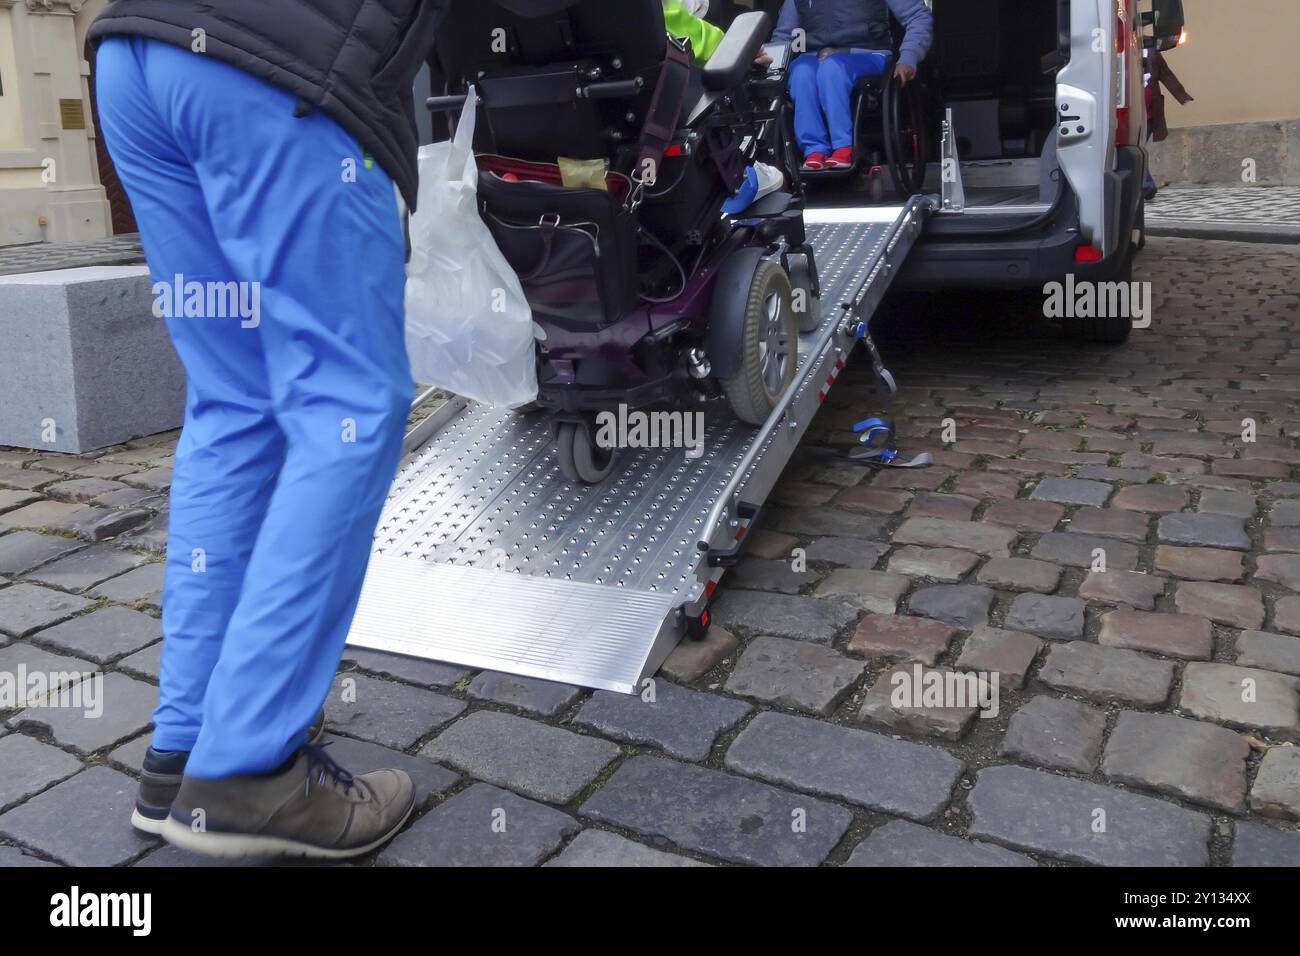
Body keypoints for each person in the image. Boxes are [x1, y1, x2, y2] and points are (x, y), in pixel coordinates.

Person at [87, 0, 448, 859]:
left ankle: (183, 752)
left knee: (233, 401)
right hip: (280, 66)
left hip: (139, 55)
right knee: (349, 403)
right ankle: (247, 771)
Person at [771, 0, 933, 170]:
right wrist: (772, 66)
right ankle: (814, 150)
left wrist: (909, 56)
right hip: (815, 56)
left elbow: (918, 16)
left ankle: (844, 147)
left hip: (868, 53)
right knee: (800, 72)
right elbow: (783, 35)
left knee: (831, 68)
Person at [1143, 47, 1194, 200]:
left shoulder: (1152, 55)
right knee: (1136, 148)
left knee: (1138, 148)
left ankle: (1147, 185)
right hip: (1127, 114)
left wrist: (1181, 95)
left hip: (1150, 115)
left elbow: (1166, 75)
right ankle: (1146, 184)